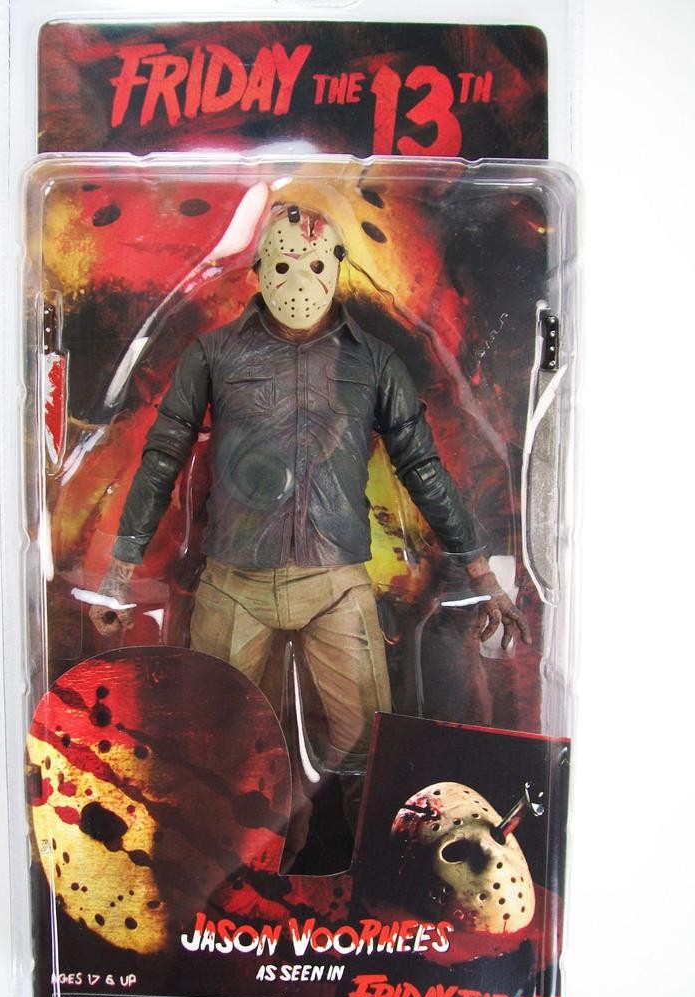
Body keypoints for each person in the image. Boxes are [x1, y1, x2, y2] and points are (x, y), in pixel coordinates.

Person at [89, 203, 530, 816]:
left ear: (338, 267)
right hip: (234, 584)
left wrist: (481, 574)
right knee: (221, 749)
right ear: (259, 268)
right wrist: (118, 575)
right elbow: (163, 458)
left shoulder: (372, 361)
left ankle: (371, 858)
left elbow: (422, 468)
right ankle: (238, 863)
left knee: (371, 752)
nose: (298, 282)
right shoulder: (214, 354)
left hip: (336, 585)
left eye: (316, 264)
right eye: (284, 265)